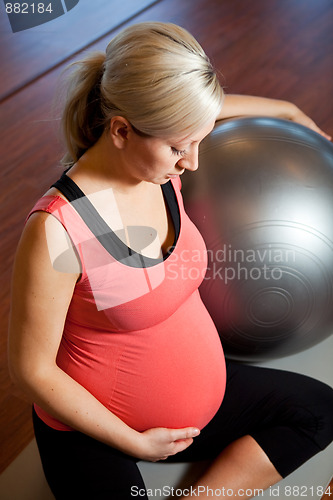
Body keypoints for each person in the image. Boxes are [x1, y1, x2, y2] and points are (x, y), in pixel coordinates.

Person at [8, 22, 333, 499]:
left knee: (321, 410)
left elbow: (202, 114)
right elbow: (30, 371)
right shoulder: (57, 228)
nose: (194, 162)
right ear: (120, 129)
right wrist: (136, 441)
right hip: (97, 432)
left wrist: (289, 111)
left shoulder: (157, 157)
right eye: (181, 148)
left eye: (199, 138)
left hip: (195, 410)